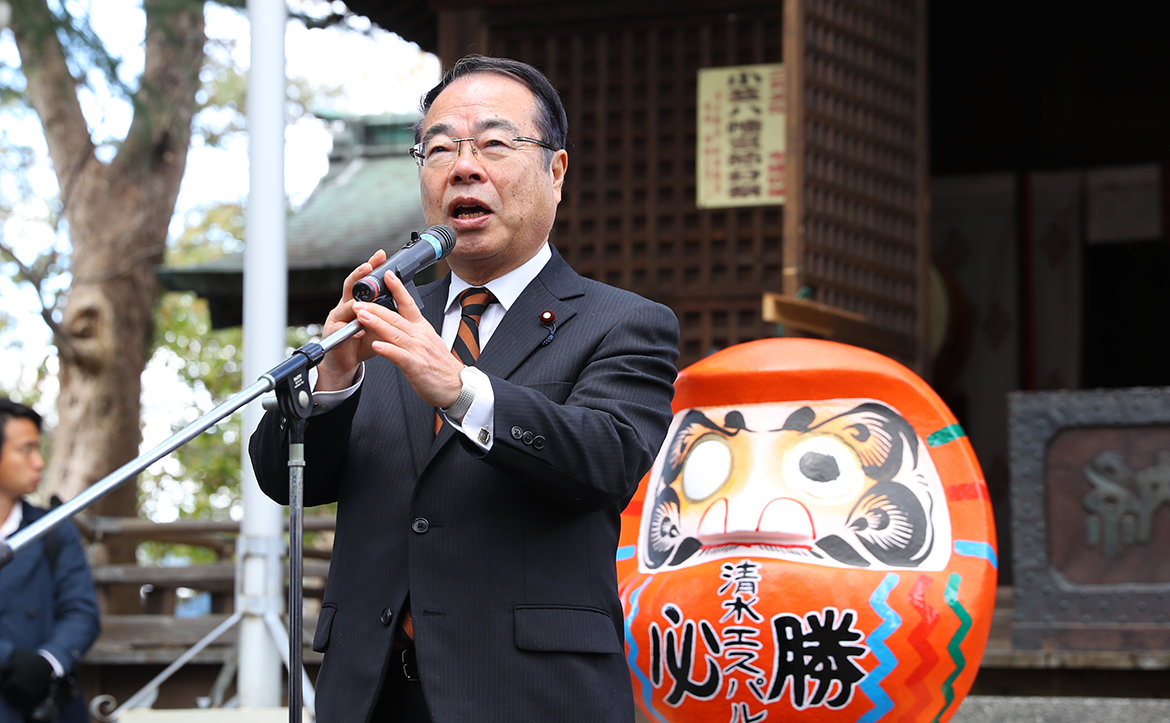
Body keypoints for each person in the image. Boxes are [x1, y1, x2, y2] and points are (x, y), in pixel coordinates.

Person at [250, 55, 679, 722]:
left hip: (529, 697)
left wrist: (460, 389)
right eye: (440, 149)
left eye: (494, 145)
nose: (463, 167)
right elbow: (282, 477)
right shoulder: (383, 319)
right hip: (368, 695)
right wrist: (334, 379)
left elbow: (606, 460)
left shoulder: (623, 322)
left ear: (556, 172)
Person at [0, 399, 100, 723]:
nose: (39, 463)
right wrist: (8, 658)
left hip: (39, 705)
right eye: (26, 450)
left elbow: (81, 611)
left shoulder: (53, 530)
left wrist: (47, 662)